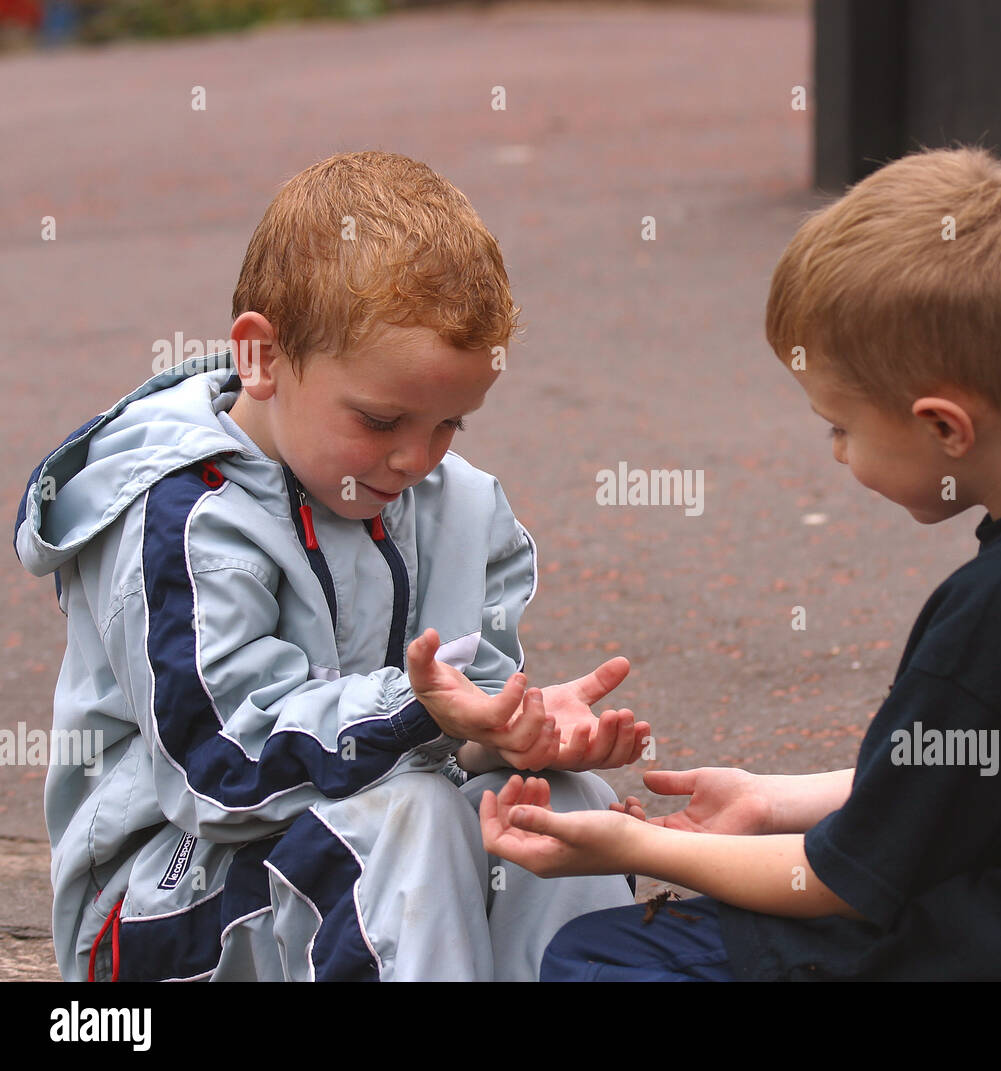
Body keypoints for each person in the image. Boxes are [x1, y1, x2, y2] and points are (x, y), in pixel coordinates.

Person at [479, 146, 1001, 981]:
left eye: (840, 426)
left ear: (944, 427)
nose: (837, 453)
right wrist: (773, 801)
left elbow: (840, 882)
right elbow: (978, 767)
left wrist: (631, 846)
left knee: (603, 959)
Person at [14, 150, 648, 981]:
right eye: (382, 419)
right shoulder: (183, 510)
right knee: (405, 814)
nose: (416, 457)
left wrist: (510, 739)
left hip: (365, 871)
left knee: (553, 806)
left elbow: (456, 737)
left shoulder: (460, 503)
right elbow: (219, 771)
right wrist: (420, 716)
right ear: (264, 358)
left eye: (451, 422)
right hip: (159, 909)